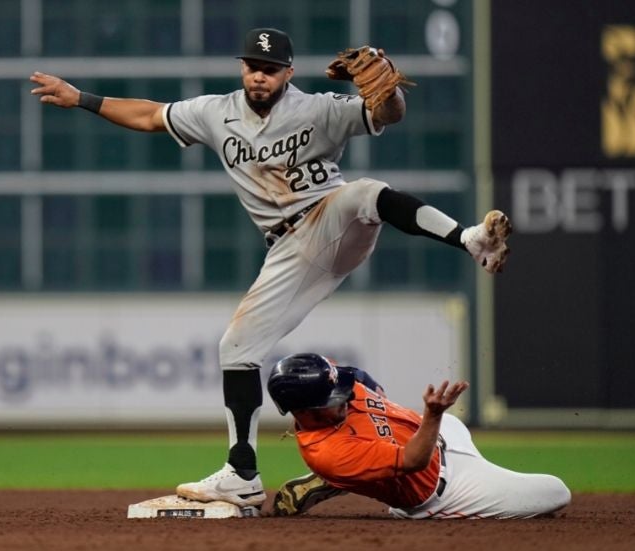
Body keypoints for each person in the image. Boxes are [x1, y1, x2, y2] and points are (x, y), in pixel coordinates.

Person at [29, 27, 512, 509]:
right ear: (242, 68)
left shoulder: (318, 108)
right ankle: (242, 474)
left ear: (288, 72)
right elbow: (151, 115)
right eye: (252, 67)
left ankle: (470, 240)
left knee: (364, 194)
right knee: (236, 348)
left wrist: (386, 96)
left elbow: (387, 112)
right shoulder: (215, 113)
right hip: (288, 251)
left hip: (330, 220)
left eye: (270, 68)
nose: (259, 76)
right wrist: (80, 99)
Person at [267, 353, 571, 519]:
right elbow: (413, 460)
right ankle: (349, 477)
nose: (345, 398)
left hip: (443, 437)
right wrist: (433, 415)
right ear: (303, 411)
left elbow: (358, 376)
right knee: (556, 492)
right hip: (443, 489)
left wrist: (431, 420)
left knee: (451, 423)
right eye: (334, 399)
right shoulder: (332, 453)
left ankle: (358, 476)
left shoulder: (331, 389)